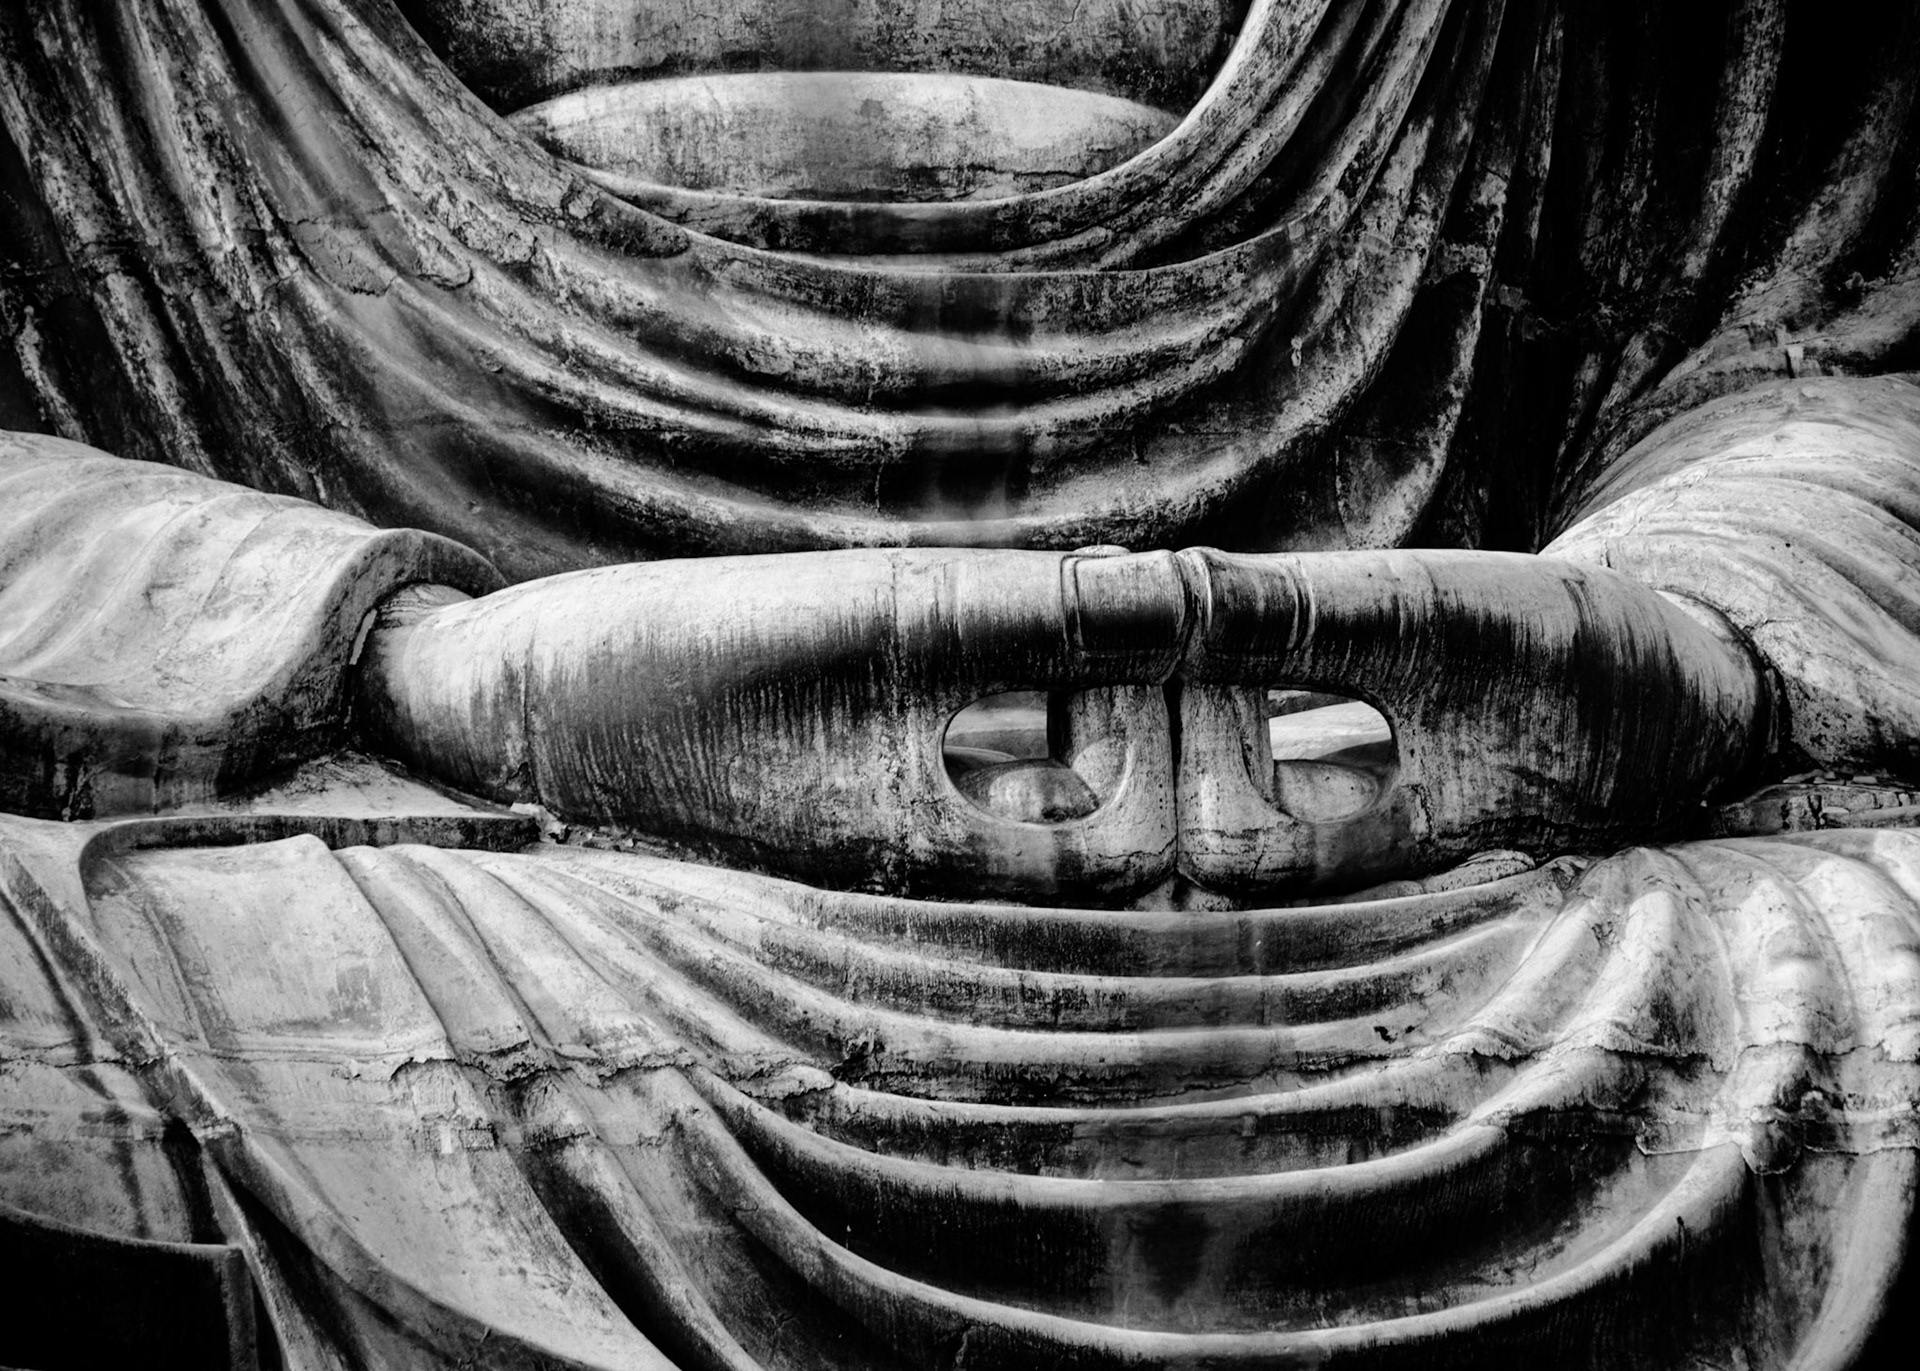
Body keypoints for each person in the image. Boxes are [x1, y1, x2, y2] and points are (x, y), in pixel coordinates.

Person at [3, 2, 1919, 1366]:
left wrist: (1696, 638)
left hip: (1462, 839)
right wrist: (397, 653)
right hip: (435, 849)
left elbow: (1824, 345)